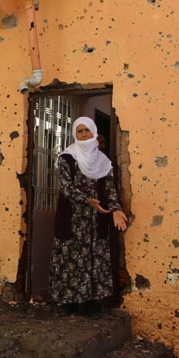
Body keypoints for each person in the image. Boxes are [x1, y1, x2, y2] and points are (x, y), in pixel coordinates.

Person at [50, 117, 128, 319]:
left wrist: (116, 209)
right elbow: (66, 188)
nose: (84, 134)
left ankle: (92, 303)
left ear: (94, 133)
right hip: (72, 217)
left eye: (87, 131)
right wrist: (87, 200)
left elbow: (110, 191)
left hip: (95, 220)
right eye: (80, 131)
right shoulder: (66, 158)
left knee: (94, 259)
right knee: (70, 258)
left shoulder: (103, 162)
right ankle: (67, 302)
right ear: (75, 134)